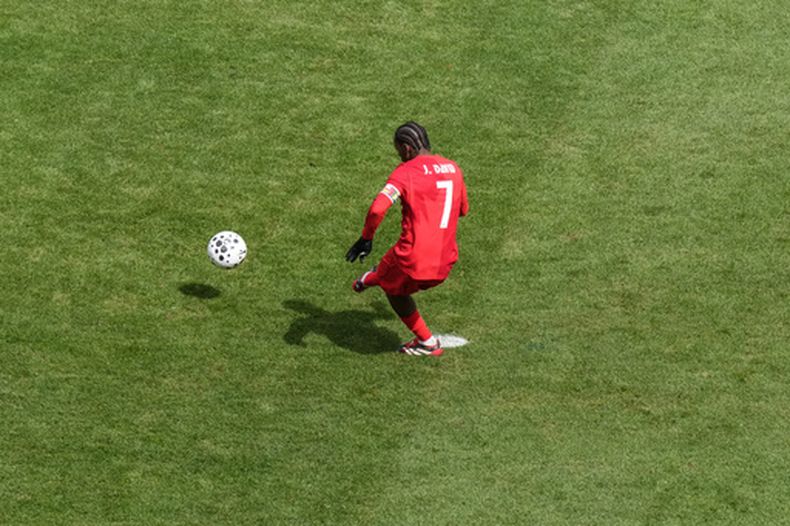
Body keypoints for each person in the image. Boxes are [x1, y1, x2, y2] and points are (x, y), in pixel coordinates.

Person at [345, 122, 469, 356]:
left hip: (412, 259)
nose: (400, 156)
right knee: (391, 271)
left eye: (399, 151)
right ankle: (370, 278)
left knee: (394, 289)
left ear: (407, 148)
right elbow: (463, 209)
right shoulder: (453, 168)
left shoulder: (405, 172)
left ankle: (427, 343)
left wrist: (366, 238)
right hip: (446, 260)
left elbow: (377, 209)